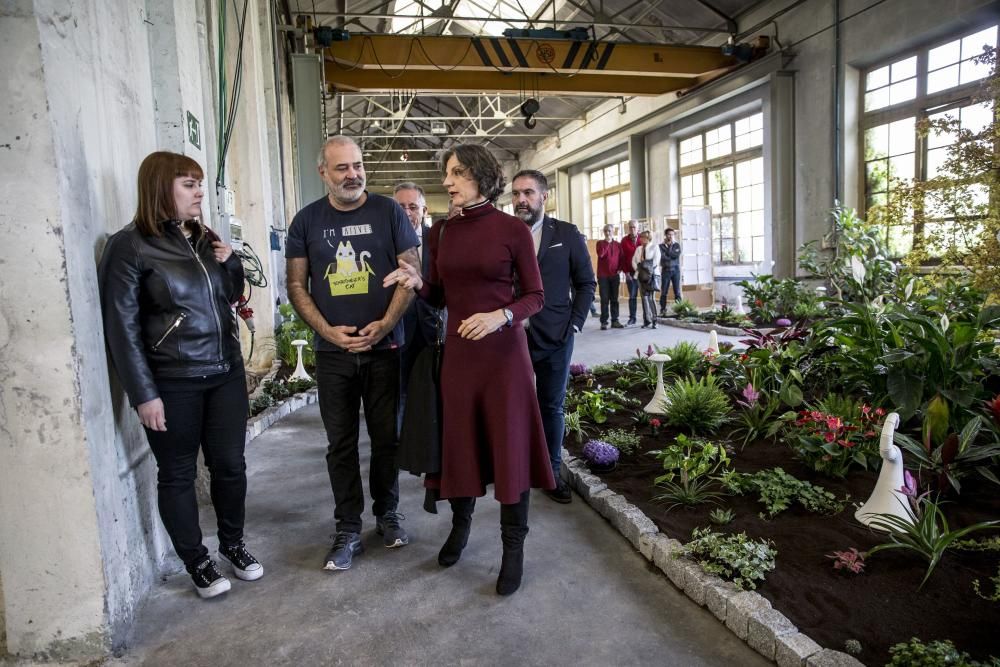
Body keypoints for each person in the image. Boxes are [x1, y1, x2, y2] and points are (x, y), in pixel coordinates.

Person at [384, 143, 554, 596]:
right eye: (447, 174)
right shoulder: (439, 232)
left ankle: (512, 547)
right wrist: (417, 282)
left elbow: (535, 296)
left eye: (456, 173)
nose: (448, 182)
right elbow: (440, 297)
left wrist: (501, 315)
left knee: (509, 448)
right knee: (460, 446)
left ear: (480, 175)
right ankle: (459, 528)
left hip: (504, 360)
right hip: (459, 358)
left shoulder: (512, 230)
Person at [98, 151, 260, 599]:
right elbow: (121, 329)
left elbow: (228, 296)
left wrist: (230, 264)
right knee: (177, 473)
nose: (199, 192)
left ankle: (233, 544)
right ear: (160, 188)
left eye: (200, 183)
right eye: (188, 184)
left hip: (224, 372)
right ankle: (197, 561)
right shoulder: (129, 246)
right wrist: (143, 394)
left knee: (230, 466)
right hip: (172, 381)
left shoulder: (205, 237)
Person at [286, 136, 420, 572]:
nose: (353, 174)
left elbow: (410, 271)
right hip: (334, 354)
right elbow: (296, 285)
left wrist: (385, 324)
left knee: (387, 440)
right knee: (340, 444)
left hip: (386, 349)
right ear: (323, 172)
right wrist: (328, 332)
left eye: (358, 165)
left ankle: (388, 515)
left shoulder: (388, 212)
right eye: (342, 168)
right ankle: (347, 527)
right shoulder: (306, 221)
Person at [511, 170, 596, 504]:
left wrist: (574, 324)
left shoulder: (567, 234)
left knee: (551, 405)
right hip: (512, 336)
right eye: (517, 193)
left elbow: (586, 283)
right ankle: (514, 468)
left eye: (528, 193)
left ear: (544, 197)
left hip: (556, 336)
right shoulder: (504, 234)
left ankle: (551, 470)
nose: (521, 200)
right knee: (513, 406)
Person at [393, 182, 445, 425]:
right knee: (398, 395)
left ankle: (432, 452)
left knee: (434, 395)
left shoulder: (439, 239)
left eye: (413, 207)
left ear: (424, 210)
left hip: (432, 329)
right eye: (400, 207)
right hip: (397, 330)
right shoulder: (384, 241)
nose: (406, 212)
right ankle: (396, 453)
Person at [596, 224, 624, 330]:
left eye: (609, 231)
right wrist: (607, 243)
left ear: (613, 231)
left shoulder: (618, 244)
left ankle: (615, 320)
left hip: (614, 275)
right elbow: (601, 254)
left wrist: (620, 268)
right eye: (606, 231)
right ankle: (604, 322)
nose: (607, 233)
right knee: (604, 299)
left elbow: (621, 258)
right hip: (603, 276)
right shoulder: (600, 243)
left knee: (614, 299)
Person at [632, 230, 660, 329]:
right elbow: (634, 261)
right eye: (641, 237)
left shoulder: (655, 247)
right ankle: (646, 320)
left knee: (651, 298)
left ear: (649, 238)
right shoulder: (638, 248)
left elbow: (655, 261)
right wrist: (639, 269)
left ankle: (655, 320)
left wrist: (645, 268)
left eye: (644, 237)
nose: (642, 239)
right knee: (644, 298)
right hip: (640, 276)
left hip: (651, 276)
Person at [619, 220, 641, 326]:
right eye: (630, 227)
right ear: (628, 228)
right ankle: (632, 318)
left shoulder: (643, 239)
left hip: (642, 273)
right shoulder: (624, 241)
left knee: (645, 296)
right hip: (630, 274)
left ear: (638, 228)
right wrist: (626, 273)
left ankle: (647, 318)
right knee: (632, 296)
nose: (632, 229)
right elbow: (622, 258)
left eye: (634, 227)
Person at [659, 228, 682, 315]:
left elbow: (676, 255)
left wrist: (668, 252)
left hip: (676, 271)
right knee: (664, 291)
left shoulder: (677, 245)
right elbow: (662, 257)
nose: (671, 236)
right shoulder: (660, 246)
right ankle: (663, 309)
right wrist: (670, 253)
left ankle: (679, 309)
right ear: (665, 235)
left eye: (672, 234)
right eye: (669, 234)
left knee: (677, 291)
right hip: (666, 271)